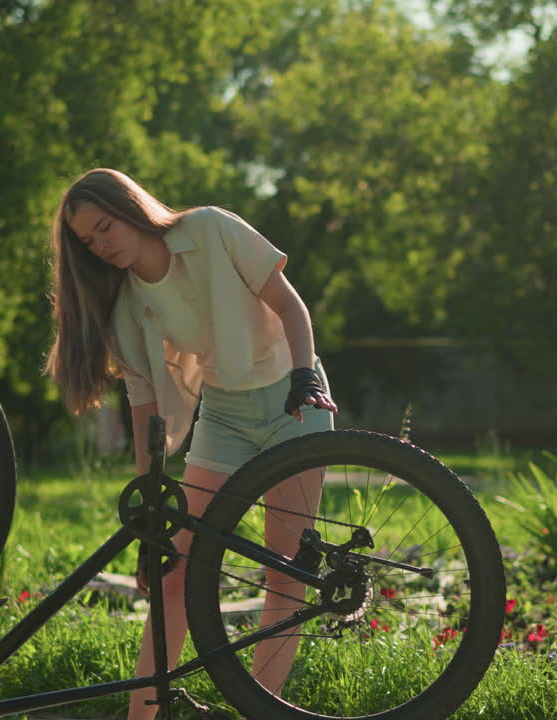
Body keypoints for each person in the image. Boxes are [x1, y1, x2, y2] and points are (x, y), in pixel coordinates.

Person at [44, 168, 338, 719]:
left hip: (290, 401)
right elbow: (143, 405)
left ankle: (263, 709)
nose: (101, 245)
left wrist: (306, 377)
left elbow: (290, 304)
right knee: (172, 572)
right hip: (223, 414)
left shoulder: (209, 230)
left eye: (105, 227)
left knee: (284, 570)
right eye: (88, 241)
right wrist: (150, 499)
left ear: (130, 208)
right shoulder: (127, 300)